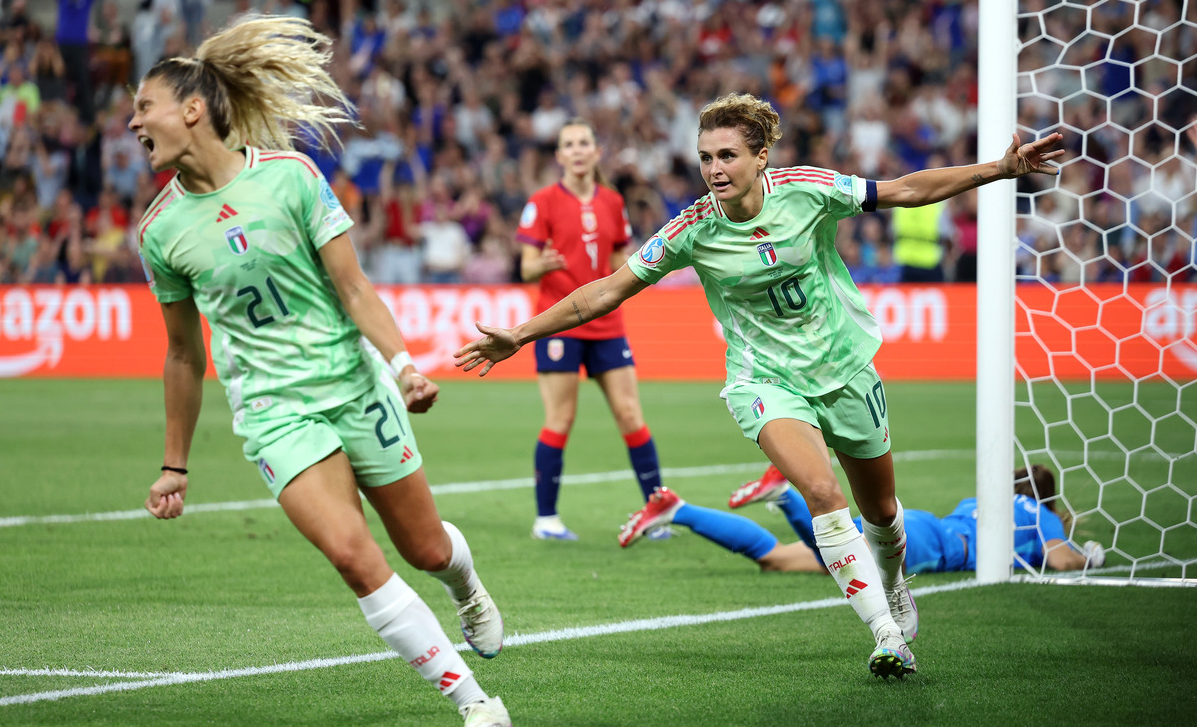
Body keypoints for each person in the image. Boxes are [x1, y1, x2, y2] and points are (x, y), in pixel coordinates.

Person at [456, 92, 1065, 679]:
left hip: (844, 369)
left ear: (759, 158)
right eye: (705, 157)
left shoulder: (807, 191)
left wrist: (999, 170)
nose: (714, 169)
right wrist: (522, 333)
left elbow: (905, 190)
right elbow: (608, 290)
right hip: (764, 380)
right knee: (824, 493)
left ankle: (895, 580)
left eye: (726, 156)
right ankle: (885, 635)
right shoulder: (691, 231)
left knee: (881, 512)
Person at [132, 16, 512, 727]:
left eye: (143, 105)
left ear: (192, 107)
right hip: (275, 412)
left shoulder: (292, 178)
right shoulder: (159, 233)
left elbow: (354, 288)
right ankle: (476, 703)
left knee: (426, 550)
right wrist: (174, 464)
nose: (132, 121)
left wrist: (404, 366)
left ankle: (466, 587)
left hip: (354, 387)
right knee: (350, 553)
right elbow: (184, 354)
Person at [515, 118, 666, 541]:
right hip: (559, 324)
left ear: (597, 153)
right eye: (569, 144)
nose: (578, 150)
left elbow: (622, 262)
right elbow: (525, 267)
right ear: (560, 155)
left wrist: (649, 259)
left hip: (607, 323)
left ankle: (656, 511)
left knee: (631, 415)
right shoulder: (542, 201)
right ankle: (546, 520)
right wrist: (539, 265)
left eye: (585, 142)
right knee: (560, 418)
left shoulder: (613, 202)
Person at [619, 464, 1107, 575]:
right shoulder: (1039, 516)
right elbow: (1062, 561)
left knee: (778, 560)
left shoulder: (984, 504)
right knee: (839, 548)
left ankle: (677, 509)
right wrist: (1092, 556)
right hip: (921, 547)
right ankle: (789, 497)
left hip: (918, 525)